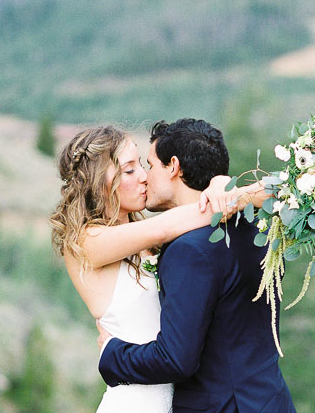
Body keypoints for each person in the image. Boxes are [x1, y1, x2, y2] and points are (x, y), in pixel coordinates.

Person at [97, 118, 296, 412]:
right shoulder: (257, 228)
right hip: (272, 401)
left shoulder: (189, 251)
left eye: (151, 166)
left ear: (174, 166)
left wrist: (112, 354)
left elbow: (176, 360)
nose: (145, 177)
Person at [50, 124, 249, 412]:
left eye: (142, 165)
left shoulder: (142, 234)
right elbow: (165, 227)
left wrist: (219, 183)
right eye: (129, 170)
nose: (144, 176)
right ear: (97, 181)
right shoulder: (85, 242)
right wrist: (238, 197)